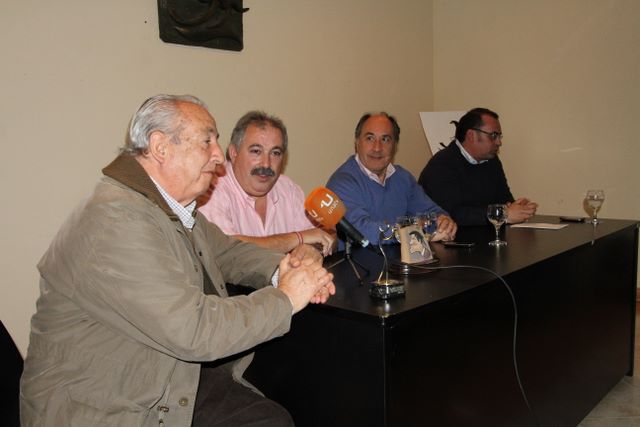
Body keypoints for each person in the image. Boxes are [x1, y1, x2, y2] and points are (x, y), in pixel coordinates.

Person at [19, 94, 335, 427]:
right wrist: (285, 298)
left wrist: (284, 270)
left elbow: (227, 251)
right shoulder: (116, 218)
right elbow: (193, 330)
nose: (219, 156)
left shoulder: (168, 208)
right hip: (106, 406)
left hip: (163, 374)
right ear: (160, 147)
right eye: (206, 141)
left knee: (272, 416)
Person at [199, 111, 336, 256]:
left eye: (275, 153)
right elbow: (228, 250)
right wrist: (298, 238)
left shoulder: (288, 189)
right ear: (234, 153)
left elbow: (325, 235)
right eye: (256, 151)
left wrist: (312, 250)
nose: (266, 164)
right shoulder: (211, 188)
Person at [326, 112, 457, 246]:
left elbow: (431, 213)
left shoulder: (403, 178)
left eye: (385, 139)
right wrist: (414, 234)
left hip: (400, 256)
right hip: (360, 258)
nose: (377, 148)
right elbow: (362, 231)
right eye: (370, 138)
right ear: (357, 142)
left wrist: (443, 222)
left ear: (395, 146)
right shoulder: (342, 182)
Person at [418, 108, 538, 226]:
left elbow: (504, 199)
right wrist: (503, 214)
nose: (499, 142)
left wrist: (518, 208)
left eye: (499, 136)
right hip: (452, 237)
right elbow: (451, 214)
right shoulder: (442, 164)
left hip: (487, 234)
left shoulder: (491, 161)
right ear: (471, 135)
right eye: (493, 135)